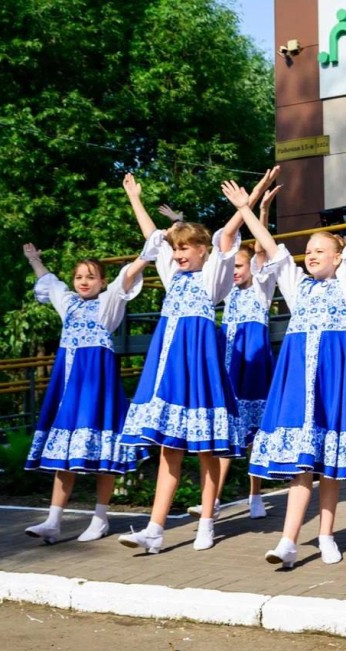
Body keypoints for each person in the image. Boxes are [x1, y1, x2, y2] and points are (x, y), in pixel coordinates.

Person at [221, 175, 346, 568]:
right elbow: (271, 246)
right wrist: (245, 209)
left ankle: (326, 535)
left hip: (333, 379)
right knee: (302, 461)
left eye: (320, 250)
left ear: (337, 258)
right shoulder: (296, 285)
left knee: (330, 464)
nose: (312, 255)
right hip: (298, 380)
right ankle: (288, 540)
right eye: (308, 250)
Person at [116, 173, 244, 554]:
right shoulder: (173, 275)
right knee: (168, 446)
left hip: (200, 366)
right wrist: (135, 199)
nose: (178, 254)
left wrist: (245, 206)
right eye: (176, 249)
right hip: (170, 366)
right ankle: (155, 529)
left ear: (203, 250)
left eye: (185, 247)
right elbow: (152, 238)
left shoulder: (213, 277)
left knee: (206, 447)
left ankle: (206, 522)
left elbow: (226, 238)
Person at [21, 244, 147, 543]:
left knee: (105, 449)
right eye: (79, 276)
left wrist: (149, 252)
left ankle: (100, 518)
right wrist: (35, 260)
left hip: (98, 384)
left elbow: (127, 276)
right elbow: (50, 282)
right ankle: (53, 521)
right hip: (69, 384)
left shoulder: (109, 302)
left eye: (91, 276)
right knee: (64, 450)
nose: (84, 281)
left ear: (102, 281)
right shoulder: (68, 303)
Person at [184, 167, 282, 521]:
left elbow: (262, 248)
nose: (236, 270)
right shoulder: (225, 291)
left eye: (241, 265)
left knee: (254, 432)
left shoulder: (261, 286)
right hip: (228, 363)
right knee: (226, 432)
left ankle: (255, 495)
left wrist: (262, 209)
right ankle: (211, 502)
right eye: (234, 266)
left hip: (253, 365)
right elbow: (214, 251)